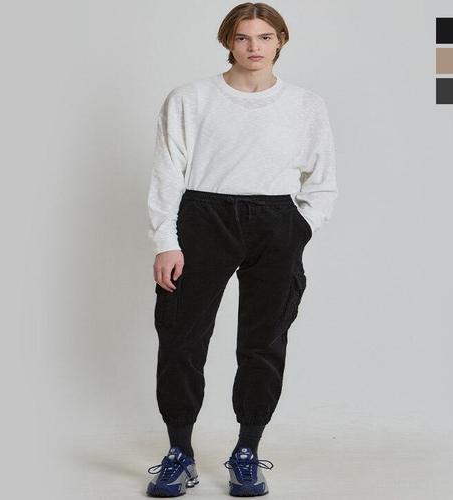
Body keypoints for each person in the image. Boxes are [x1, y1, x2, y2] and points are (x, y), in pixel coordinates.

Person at [145, 2, 338, 497]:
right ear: (228, 42)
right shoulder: (190, 99)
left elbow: (322, 178)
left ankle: (247, 451)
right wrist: (166, 240)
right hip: (203, 217)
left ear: (281, 41)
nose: (254, 47)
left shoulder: (305, 104)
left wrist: (299, 228)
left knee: (264, 341)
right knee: (182, 338)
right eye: (243, 37)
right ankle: (179, 452)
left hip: (276, 221)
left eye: (265, 37)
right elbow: (168, 171)